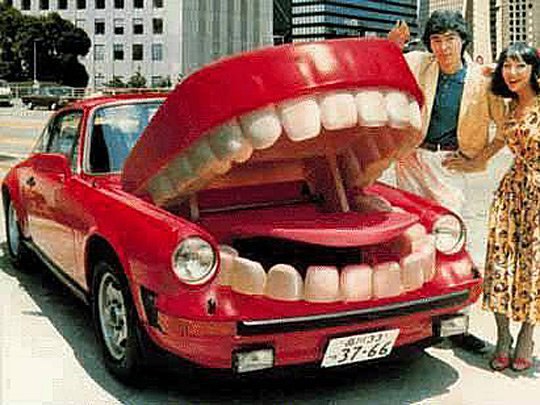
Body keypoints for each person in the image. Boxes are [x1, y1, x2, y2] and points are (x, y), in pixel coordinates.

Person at [388, 11, 505, 353]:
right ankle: (412, 313)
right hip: (413, 158)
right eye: (436, 40)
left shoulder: (482, 79)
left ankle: (457, 320)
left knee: (451, 239)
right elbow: (387, 63)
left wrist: (480, 159)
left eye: (450, 39)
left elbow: (505, 127)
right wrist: (392, 44)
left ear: (462, 40)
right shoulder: (421, 63)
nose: (443, 47)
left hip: (451, 163)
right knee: (411, 236)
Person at [444, 42, 540, 372]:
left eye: (520, 66)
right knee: (500, 264)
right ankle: (503, 337)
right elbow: (498, 140)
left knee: (533, 267)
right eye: (507, 65)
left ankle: (526, 336)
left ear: (534, 70)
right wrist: (472, 161)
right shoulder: (507, 106)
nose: (512, 72)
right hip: (511, 193)